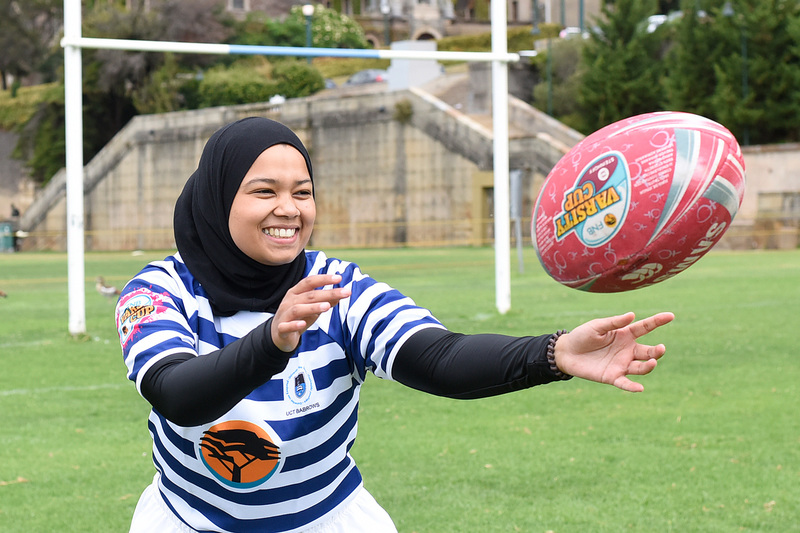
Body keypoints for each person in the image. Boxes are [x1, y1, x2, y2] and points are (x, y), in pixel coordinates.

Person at [115, 117, 674, 533]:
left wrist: (553, 353)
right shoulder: (158, 290)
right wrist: (270, 341)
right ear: (218, 199)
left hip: (329, 518)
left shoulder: (337, 286)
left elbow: (437, 357)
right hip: (189, 520)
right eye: (264, 191)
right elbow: (175, 394)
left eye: (303, 193)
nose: (289, 209)